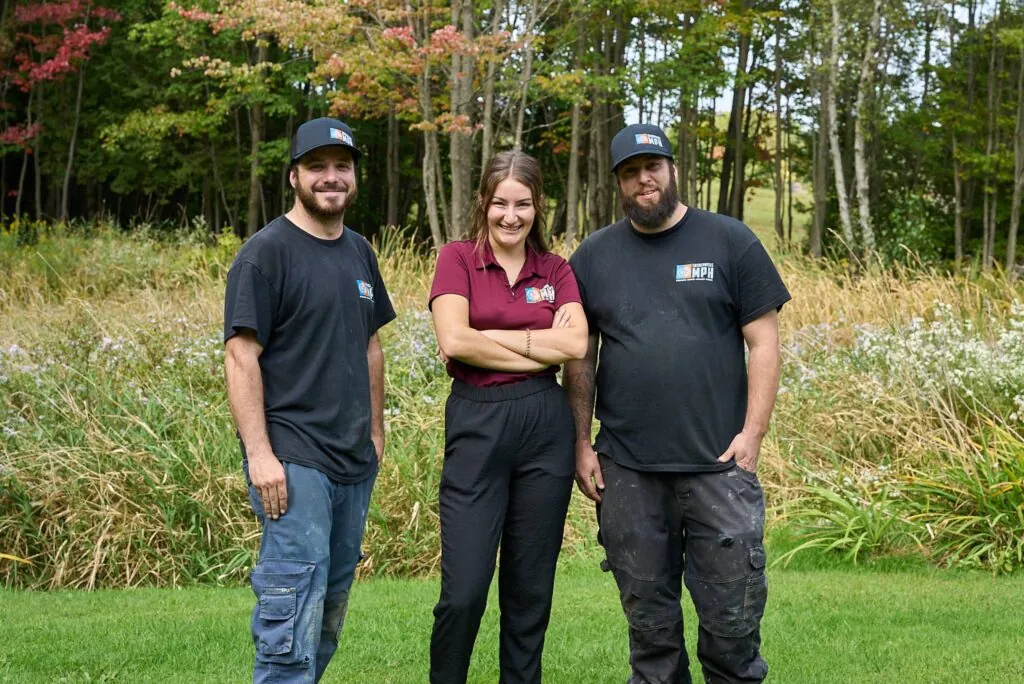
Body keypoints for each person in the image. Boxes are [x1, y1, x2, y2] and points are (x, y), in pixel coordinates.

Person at [565, 123, 791, 684]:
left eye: (653, 167)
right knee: (650, 628)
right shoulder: (592, 257)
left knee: (732, 622)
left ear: (671, 168)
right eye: (630, 172)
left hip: (719, 466)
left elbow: (764, 343)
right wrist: (581, 443)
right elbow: (579, 358)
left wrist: (753, 436)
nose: (644, 180)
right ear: (617, 182)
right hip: (627, 471)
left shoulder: (730, 241)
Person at [223, 117, 396, 684]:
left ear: (353, 177)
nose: (331, 178)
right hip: (294, 460)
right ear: (294, 176)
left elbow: (370, 344)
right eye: (317, 167)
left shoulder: (359, 253)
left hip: (352, 460)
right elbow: (240, 356)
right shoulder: (265, 255)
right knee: (292, 599)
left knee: (329, 606)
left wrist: (376, 431)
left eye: (341, 167)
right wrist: (261, 455)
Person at [428, 150, 589, 684]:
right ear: (483, 203)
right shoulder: (457, 259)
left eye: (522, 204)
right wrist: (537, 344)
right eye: (500, 203)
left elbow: (576, 344)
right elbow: (452, 339)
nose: (511, 216)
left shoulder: (557, 269)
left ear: (537, 207)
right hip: (478, 423)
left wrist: (488, 338)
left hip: (546, 426)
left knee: (530, 588)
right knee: (465, 591)